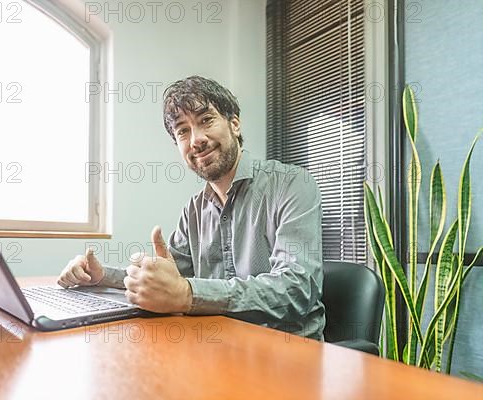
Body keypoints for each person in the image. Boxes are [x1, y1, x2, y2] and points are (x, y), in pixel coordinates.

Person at [58, 76, 325, 340]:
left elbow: (296, 289)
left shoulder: (292, 184)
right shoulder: (194, 210)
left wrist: (187, 295)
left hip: (289, 353)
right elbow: (170, 280)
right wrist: (102, 275)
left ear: (234, 124)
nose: (196, 139)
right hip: (221, 345)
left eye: (206, 120)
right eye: (183, 130)